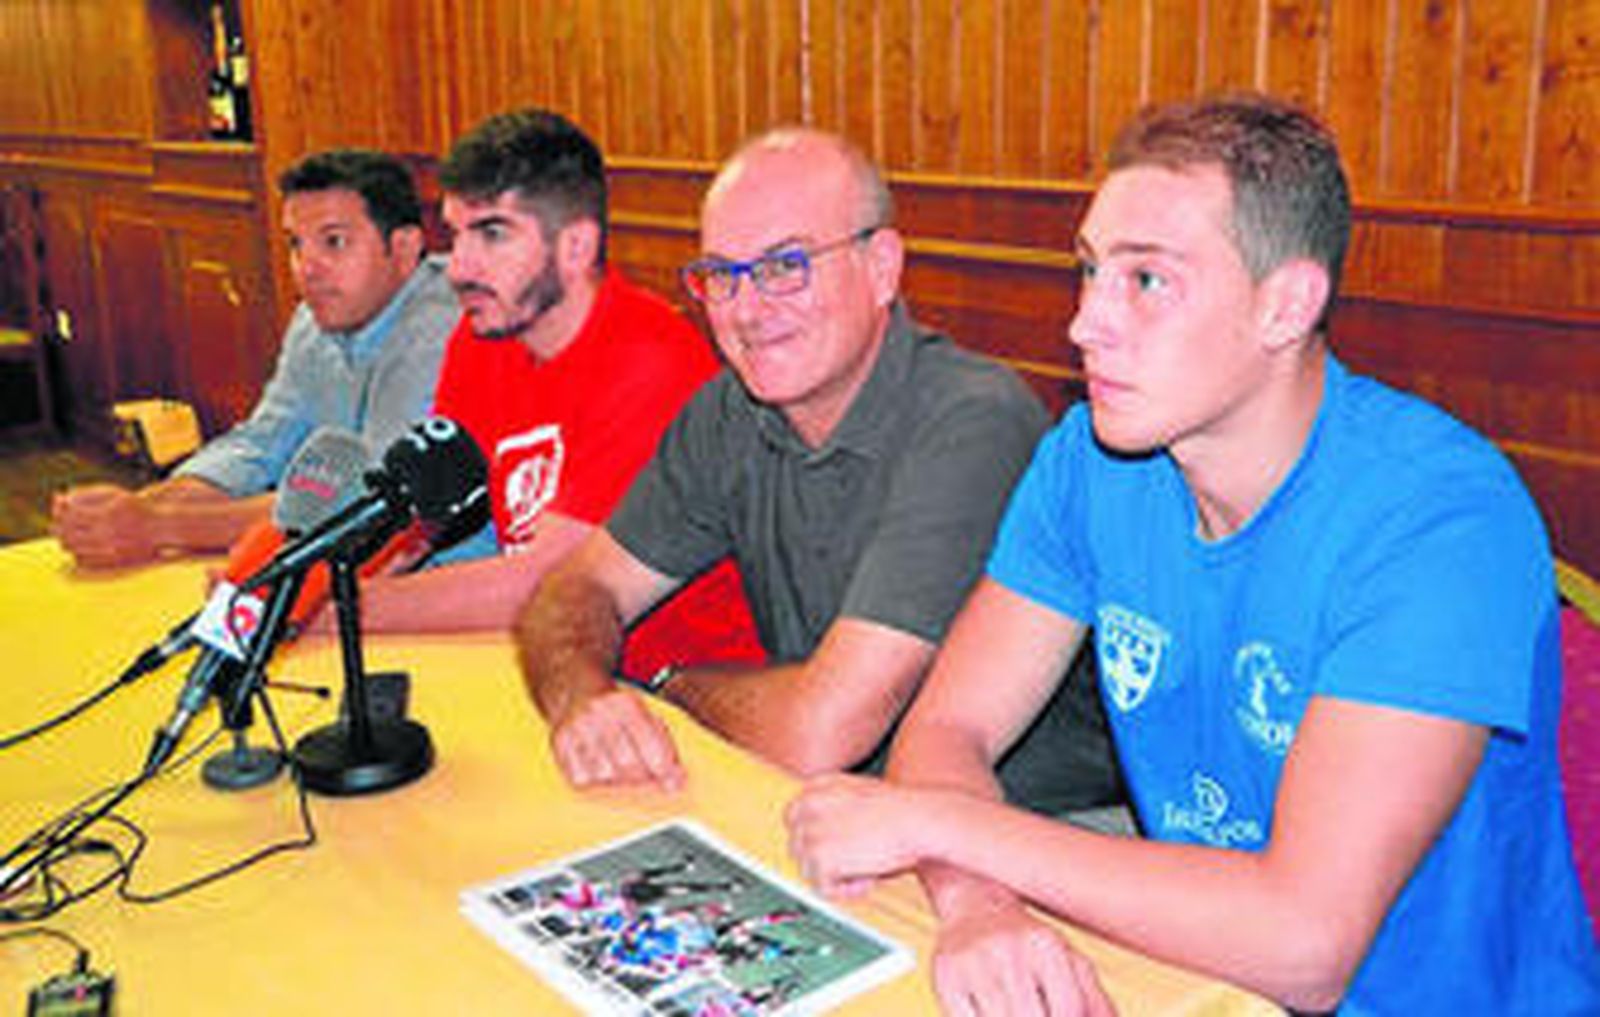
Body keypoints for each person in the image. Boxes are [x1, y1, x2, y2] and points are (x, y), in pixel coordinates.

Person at [784, 92, 1600, 1014]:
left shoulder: (1442, 521)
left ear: (1285, 304)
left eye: (1146, 280)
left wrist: (941, 825)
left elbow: (1306, 943)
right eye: (1089, 270)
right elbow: (949, 728)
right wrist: (981, 906)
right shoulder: (1091, 461)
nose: (1085, 323)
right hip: (1185, 978)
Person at [517, 127, 1122, 819]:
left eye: (785, 266)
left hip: (1030, 827)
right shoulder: (729, 411)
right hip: (829, 807)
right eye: (721, 274)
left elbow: (820, 731)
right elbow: (574, 586)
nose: (746, 309)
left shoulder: (973, 421)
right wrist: (584, 697)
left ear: (881, 268)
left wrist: (668, 686)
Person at [350, 108, 752, 642]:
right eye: (455, 234)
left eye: (493, 234)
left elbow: (544, 585)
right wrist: (306, 579)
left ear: (575, 247)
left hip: (667, 676)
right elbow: (425, 512)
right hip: (549, 655)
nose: (459, 268)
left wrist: (337, 612)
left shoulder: (653, 359)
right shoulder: (482, 338)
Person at [52, 149, 456, 569]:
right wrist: (137, 507)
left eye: (334, 242)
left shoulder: (439, 327)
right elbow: (261, 443)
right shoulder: (315, 318)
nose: (307, 268)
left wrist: (159, 526)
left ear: (404, 248)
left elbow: (367, 503)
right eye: (296, 244)